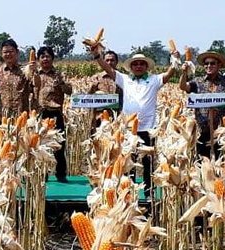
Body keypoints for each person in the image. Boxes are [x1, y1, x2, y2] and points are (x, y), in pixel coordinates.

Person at [89, 47, 177, 199]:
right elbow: (107, 68)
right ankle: (127, 193)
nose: (138, 66)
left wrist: (174, 59)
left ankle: (149, 194)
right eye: (135, 64)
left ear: (146, 66)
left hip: (148, 128)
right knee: (128, 163)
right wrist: (97, 54)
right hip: (128, 129)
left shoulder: (154, 80)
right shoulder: (125, 79)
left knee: (147, 163)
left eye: (141, 64)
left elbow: (170, 73)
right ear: (131, 67)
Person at [179, 51, 225, 157]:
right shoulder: (198, 81)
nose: (209, 65)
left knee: (222, 164)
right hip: (202, 132)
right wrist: (184, 73)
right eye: (206, 63)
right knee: (203, 164)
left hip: (222, 133)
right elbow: (183, 87)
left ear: (219, 65)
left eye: (212, 63)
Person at [35, 46, 72, 183]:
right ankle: (41, 174)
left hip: (55, 113)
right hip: (39, 114)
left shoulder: (59, 75)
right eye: (42, 56)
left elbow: (69, 91)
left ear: (52, 58)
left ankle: (61, 175)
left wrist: (61, 83)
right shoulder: (34, 74)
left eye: (48, 56)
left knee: (59, 145)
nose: (45, 59)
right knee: (39, 146)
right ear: (38, 59)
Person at [0, 39, 40, 118]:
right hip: (3, 116)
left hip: (22, 116)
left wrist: (35, 71)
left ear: (17, 52)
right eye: (5, 52)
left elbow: (37, 84)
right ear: (1, 54)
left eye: (11, 51)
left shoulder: (25, 71)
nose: (8, 54)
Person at [89, 50, 123, 129]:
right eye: (107, 60)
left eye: (112, 60)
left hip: (117, 119)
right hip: (99, 119)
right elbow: (87, 98)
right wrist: (92, 87)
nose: (109, 62)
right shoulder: (96, 78)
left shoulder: (122, 78)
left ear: (117, 62)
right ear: (103, 62)